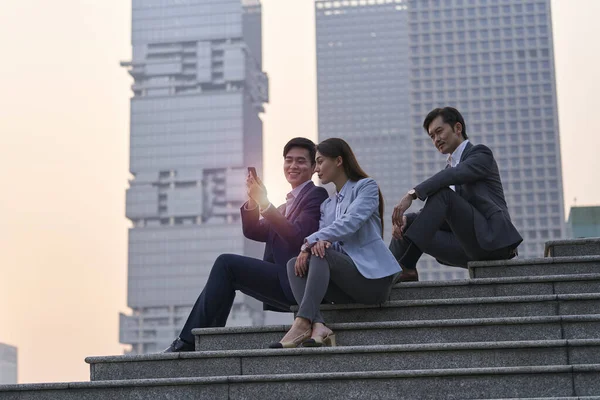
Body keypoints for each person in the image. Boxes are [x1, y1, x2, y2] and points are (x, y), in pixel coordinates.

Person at [164, 137, 328, 352]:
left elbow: (297, 236)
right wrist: (253, 200)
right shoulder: (282, 207)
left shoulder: (316, 195)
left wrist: (264, 204)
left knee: (226, 263)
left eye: (300, 161)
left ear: (314, 166)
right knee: (227, 270)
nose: (293, 166)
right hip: (279, 279)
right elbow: (253, 231)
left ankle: (188, 341)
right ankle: (203, 338)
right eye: (288, 160)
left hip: (296, 279)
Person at [270, 138, 400, 349]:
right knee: (293, 265)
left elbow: (350, 223)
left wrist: (311, 242)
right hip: (345, 285)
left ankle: (303, 321)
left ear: (339, 160)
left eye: (320, 162)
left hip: (372, 282)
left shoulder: (366, 187)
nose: (317, 169)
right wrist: (318, 244)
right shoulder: (327, 205)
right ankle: (319, 325)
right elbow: (331, 242)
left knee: (319, 252)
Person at [390, 107, 523, 282]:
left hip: (493, 241)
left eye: (439, 131)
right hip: (466, 246)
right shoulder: (449, 170)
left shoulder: (480, 155)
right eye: (432, 136)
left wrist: (413, 194)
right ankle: (387, 272)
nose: (436, 139)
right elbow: (434, 214)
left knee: (442, 194)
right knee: (406, 224)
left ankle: (407, 263)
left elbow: (454, 175)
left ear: (457, 128)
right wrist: (407, 219)